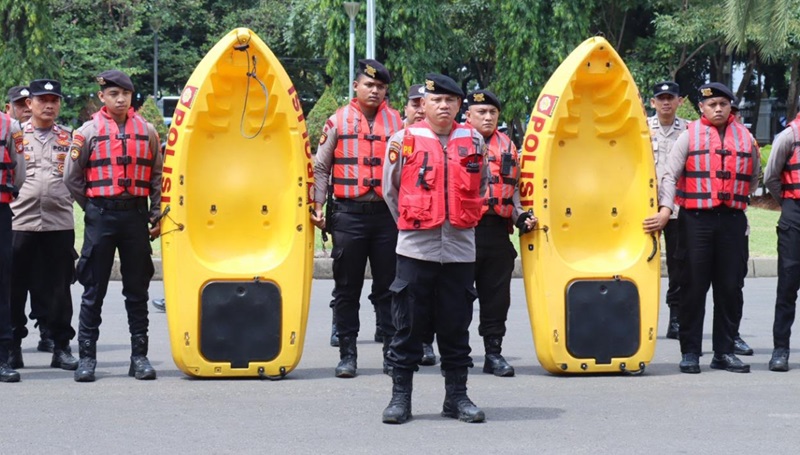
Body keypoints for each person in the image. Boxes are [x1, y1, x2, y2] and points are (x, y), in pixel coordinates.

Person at [381, 73, 490, 424]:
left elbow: (482, 185)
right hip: (416, 248)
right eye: (436, 101)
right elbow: (391, 190)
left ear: (460, 105)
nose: (443, 106)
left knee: (456, 327)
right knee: (408, 326)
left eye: (450, 101)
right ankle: (401, 398)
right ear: (422, 105)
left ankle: (456, 397)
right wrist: (416, 221)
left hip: (459, 249)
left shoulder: (473, 139)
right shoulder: (403, 139)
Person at [645, 82, 759, 374]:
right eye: (712, 105)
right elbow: (669, 176)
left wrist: (736, 201)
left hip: (732, 221)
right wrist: (666, 209)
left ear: (730, 106)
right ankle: (691, 352)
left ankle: (723, 352)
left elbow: (754, 177)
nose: (718, 109)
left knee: (730, 288)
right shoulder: (689, 136)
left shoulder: (745, 138)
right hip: (695, 220)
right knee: (692, 286)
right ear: (701, 108)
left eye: (723, 104)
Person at [63, 70, 162, 382]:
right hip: (101, 215)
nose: (120, 99)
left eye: (126, 94)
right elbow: (72, 177)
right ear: (102, 97)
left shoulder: (147, 132)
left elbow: (158, 175)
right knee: (93, 288)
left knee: (138, 288)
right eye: (114, 94)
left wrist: (156, 212)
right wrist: (92, 206)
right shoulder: (88, 132)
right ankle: (87, 358)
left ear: (132, 96)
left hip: (135, 217)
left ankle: (140, 356)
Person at [310, 59, 403, 378]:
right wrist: (318, 204)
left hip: (387, 217)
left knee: (391, 287)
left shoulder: (397, 123)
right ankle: (347, 354)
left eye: (380, 87)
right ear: (356, 86)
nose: (374, 91)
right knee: (346, 287)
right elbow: (320, 167)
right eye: (369, 85)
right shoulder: (337, 121)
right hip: (348, 215)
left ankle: (393, 354)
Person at [8, 80, 78, 372]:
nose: (49, 106)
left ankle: (61, 347)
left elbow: (79, 176)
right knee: (13, 288)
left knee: (59, 289)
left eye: (54, 100)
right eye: (42, 100)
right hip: (19, 221)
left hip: (58, 223)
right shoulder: (16, 137)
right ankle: (12, 348)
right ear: (29, 104)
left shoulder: (70, 137)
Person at [464, 89, 535, 377]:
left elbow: (513, 193)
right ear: (468, 115)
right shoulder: (455, 141)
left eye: (493, 112)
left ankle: (493, 353)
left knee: (496, 298)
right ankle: (455, 353)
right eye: (481, 112)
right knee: (456, 297)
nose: (488, 117)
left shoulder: (508, 146)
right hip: (462, 232)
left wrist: (521, 217)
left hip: (496, 233)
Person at [648, 81, 688, 340]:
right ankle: (639, 317)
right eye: (660, 98)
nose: (665, 102)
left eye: (670, 97)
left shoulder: (688, 130)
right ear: (653, 102)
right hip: (644, 206)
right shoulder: (640, 128)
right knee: (641, 262)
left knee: (678, 265)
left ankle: (675, 318)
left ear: (679, 101)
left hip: (675, 208)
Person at [764, 110, 800, 371]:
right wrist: (788, 204)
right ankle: (780, 350)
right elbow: (770, 177)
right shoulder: (789, 136)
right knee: (788, 285)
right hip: (794, 214)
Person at [404, 83, 437, 366]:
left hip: (442, 233)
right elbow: (391, 188)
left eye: (421, 103)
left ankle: (427, 343)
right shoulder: (400, 139)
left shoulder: (460, 140)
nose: (418, 109)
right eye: (413, 104)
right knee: (404, 293)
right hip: (407, 226)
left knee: (434, 295)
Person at [1, 109, 26, 382]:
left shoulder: (10, 125)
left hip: (0, 211)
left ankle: (2, 357)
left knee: (2, 285)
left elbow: (19, 172)